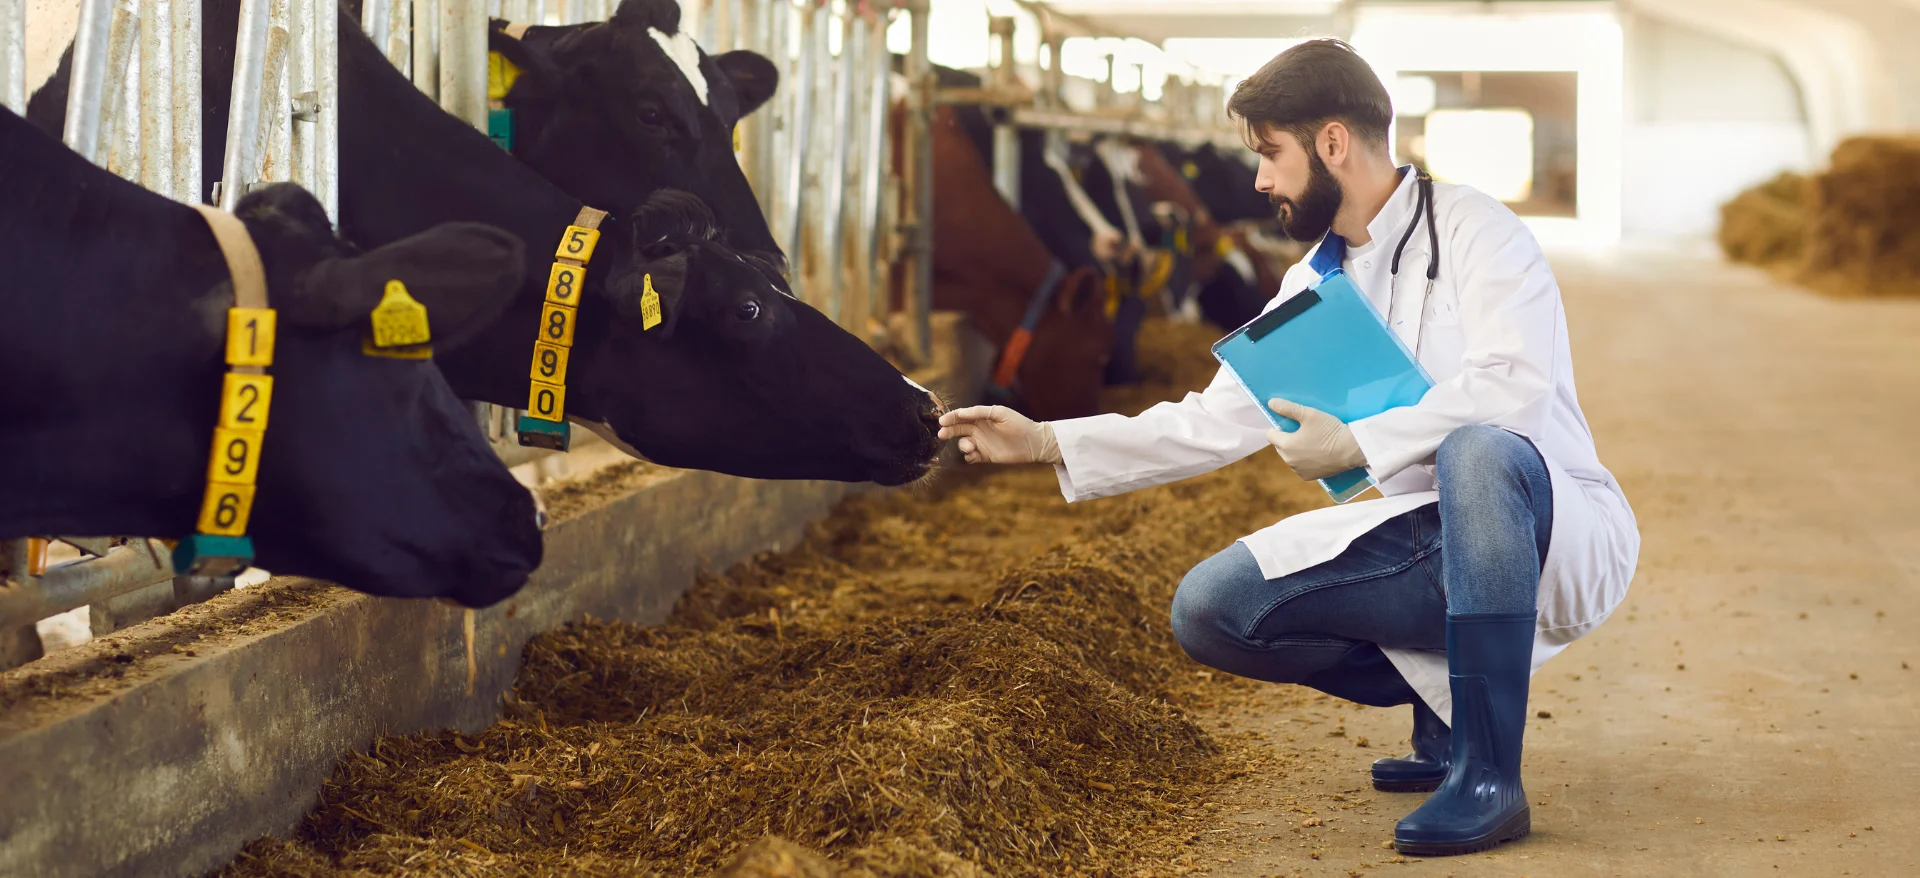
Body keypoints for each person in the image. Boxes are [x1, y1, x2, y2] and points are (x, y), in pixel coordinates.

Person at [937, 39, 1638, 856]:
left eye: (1271, 153)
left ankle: (1489, 778)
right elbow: (1213, 419)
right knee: (1212, 609)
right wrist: (1048, 440)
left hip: (1547, 529)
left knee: (1477, 451)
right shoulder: (1312, 283)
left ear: (1331, 142)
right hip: (1430, 541)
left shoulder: (1480, 231)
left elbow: (1512, 390)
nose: (1261, 180)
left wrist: (1357, 440)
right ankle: (1446, 716)